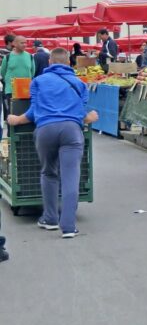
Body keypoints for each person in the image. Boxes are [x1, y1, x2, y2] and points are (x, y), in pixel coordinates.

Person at [7, 48, 98, 239]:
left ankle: (50, 219)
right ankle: (69, 226)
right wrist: (90, 117)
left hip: (45, 130)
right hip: (72, 131)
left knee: (48, 173)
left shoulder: (38, 81)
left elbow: (34, 110)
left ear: (50, 61)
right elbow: (82, 112)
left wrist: (16, 120)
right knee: (70, 176)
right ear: (68, 63)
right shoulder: (79, 84)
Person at [1, 36, 34, 137]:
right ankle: (12, 140)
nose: (25, 45)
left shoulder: (30, 56)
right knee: (11, 115)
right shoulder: (8, 57)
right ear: (14, 44)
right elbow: (3, 72)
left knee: (26, 115)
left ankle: (25, 139)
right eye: (22, 43)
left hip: (26, 91)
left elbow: (32, 72)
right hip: (11, 91)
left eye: (26, 42)